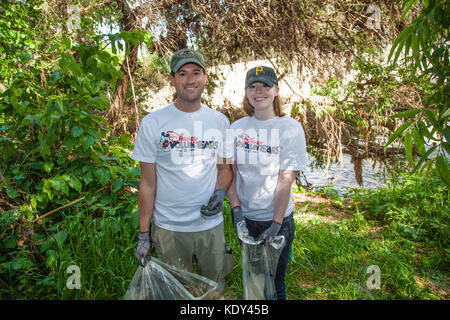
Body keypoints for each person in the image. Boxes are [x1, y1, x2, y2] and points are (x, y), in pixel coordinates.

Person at [131, 48, 233, 298]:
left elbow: (225, 170)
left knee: (213, 290)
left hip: (210, 226)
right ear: (172, 79)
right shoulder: (153, 123)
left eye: (196, 73)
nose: (190, 80)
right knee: (176, 292)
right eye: (183, 73)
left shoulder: (219, 122)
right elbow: (147, 184)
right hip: (169, 229)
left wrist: (220, 192)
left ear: (205, 77)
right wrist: (144, 235)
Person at [227, 66, 307, 300]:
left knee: (274, 283)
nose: (258, 91)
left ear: (276, 90)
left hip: (277, 221)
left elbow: (285, 178)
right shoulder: (236, 129)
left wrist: (276, 222)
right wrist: (237, 211)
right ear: (246, 92)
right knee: (252, 280)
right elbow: (230, 175)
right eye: (253, 86)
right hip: (246, 218)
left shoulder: (290, 128)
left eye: (265, 85)